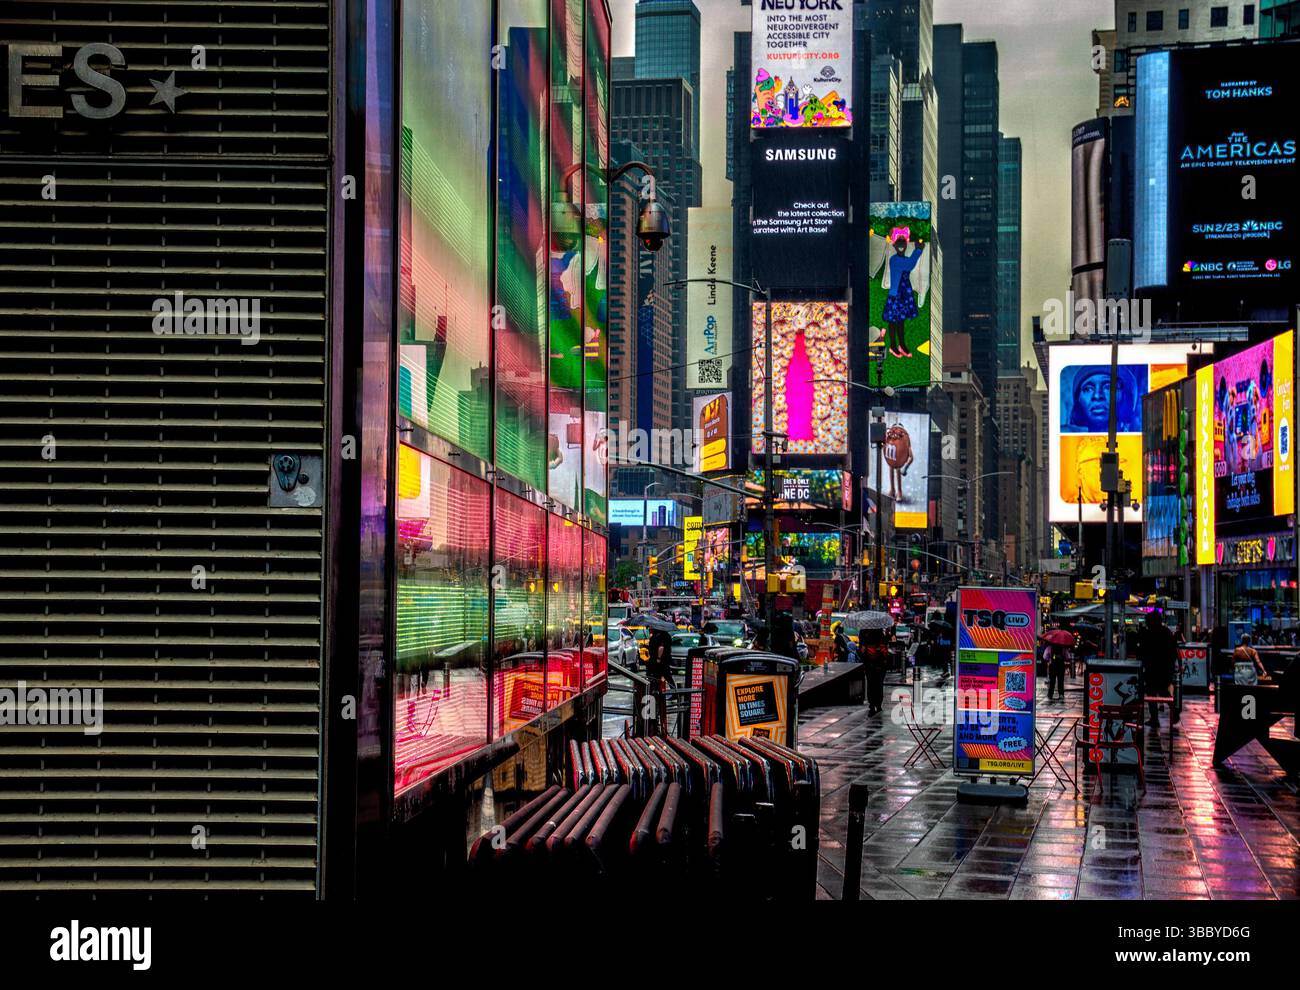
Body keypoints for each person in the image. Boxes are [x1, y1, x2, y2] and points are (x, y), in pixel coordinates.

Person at [881, 234, 925, 358]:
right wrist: (918, 250)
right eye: (899, 243)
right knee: (893, 321)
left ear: (905, 246)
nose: (901, 245)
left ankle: (901, 344)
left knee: (900, 321)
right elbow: (909, 264)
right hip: (896, 295)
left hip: (904, 294)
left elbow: (909, 264)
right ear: (894, 245)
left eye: (903, 243)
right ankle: (893, 346)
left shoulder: (902, 259)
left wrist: (918, 250)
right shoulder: (894, 260)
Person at [1137, 611, 1178, 726]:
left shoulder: (1149, 633)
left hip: (1153, 669)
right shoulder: (1166, 632)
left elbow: (1143, 651)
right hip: (1165, 669)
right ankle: (1174, 713)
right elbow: (1173, 652)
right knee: (1163, 692)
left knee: (1152, 693)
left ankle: (1154, 718)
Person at [860, 627, 890, 714]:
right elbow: (886, 652)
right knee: (879, 684)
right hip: (881, 665)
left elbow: (862, 651)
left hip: (870, 665)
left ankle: (872, 705)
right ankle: (879, 705)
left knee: (871, 684)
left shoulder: (865, 635)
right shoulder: (883, 636)